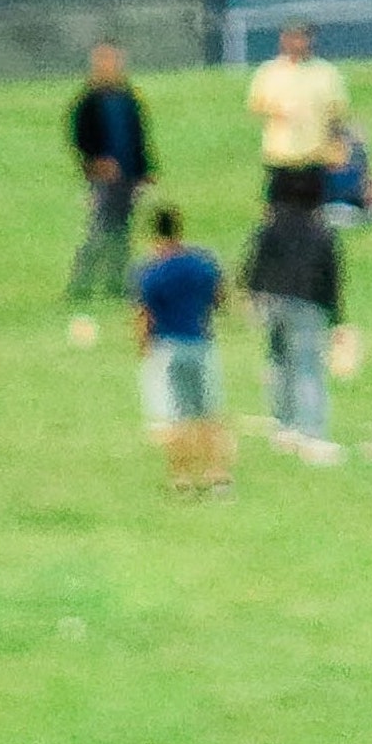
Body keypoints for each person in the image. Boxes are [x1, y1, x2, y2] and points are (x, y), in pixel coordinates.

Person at [133, 207, 232, 496]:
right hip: (202, 344)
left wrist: (142, 348)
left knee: (175, 418)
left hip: (167, 348)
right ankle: (219, 476)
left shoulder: (152, 272)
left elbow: (144, 316)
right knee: (210, 414)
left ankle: (181, 478)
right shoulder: (203, 264)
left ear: (155, 235)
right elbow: (220, 298)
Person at [242, 182, 343, 450]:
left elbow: (255, 265)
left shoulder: (270, 229)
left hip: (273, 302)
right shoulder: (323, 232)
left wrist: (252, 296)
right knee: (308, 367)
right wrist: (337, 317)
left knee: (278, 363)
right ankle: (310, 429)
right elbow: (331, 276)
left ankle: (283, 424)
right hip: (309, 304)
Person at [65, 42, 153, 303]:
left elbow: (139, 136)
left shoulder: (128, 98)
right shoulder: (88, 101)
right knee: (99, 230)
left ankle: (117, 283)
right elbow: (80, 137)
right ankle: (81, 285)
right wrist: (94, 163)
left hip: (128, 176)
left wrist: (144, 170)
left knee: (123, 232)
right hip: (103, 178)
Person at [245, 21, 351, 204]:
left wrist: (337, 146)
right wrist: (279, 111)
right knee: (277, 207)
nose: (297, 43)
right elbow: (257, 104)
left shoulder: (326, 72)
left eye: (302, 37)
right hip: (280, 155)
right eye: (292, 37)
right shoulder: (269, 72)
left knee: (312, 207)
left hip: (313, 156)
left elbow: (336, 114)